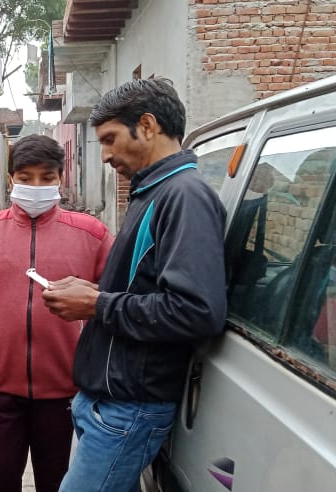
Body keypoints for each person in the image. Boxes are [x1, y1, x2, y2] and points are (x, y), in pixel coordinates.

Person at [42, 79, 228, 492]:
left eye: (110, 140)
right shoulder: (152, 191)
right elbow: (143, 287)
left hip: (130, 408)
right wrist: (94, 291)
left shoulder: (184, 197)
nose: (105, 155)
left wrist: (97, 305)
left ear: (146, 125)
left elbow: (196, 311)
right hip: (108, 401)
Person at [0, 134, 113, 492]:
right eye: (25, 177)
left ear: (60, 178)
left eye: (46, 178)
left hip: (67, 395)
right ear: (10, 179)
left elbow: (117, 300)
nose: (36, 186)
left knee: (60, 484)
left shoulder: (91, 234)